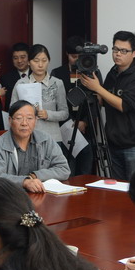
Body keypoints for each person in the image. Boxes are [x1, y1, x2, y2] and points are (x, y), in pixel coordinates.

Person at [80, 31, 135, 180]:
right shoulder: (113, 73)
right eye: (115, 49)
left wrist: (98, 88)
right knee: (116, 189)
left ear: (134, 53)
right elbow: (105, 101)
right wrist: (93, 89)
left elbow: (124, 105)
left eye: (123, 51)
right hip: (113, 144)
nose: (118, 54)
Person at [0, 100, 70, 193]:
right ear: (10, 120)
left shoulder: (45, 140)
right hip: (10, 197)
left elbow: (63, 169)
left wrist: (34, 176)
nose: (24, 123)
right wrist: (24, 182)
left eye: (29, 118)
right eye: (19, 118)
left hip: (40, 195)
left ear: (36, 120)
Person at [50, 36, 95, 176]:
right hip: (65, 128)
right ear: (67, 54)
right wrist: (70, 122)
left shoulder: (92, 72)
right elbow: (54, 103)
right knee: (68, 169)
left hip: (86, 128)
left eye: (80, 57)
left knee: (86, 168)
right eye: (73, 56)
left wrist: (84, 122)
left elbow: (96, 102)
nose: (77, 60)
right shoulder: (57, 73)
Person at [10, 44, 68, 151]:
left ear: (49, 61)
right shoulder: (21, 83)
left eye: (44, 60)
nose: (40, 65)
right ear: (29, 62)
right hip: (27, 137)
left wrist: (48, 114)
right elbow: (12, 110)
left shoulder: (57, 83)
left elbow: (64, 113)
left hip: (52, 138)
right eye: (36, 61)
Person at [0, 42, 30, 110]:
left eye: (22, 57)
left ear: (29, 57)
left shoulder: (36, 74)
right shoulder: (6, 79)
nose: (19, 61)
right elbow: (7, 103)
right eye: (15, 58)